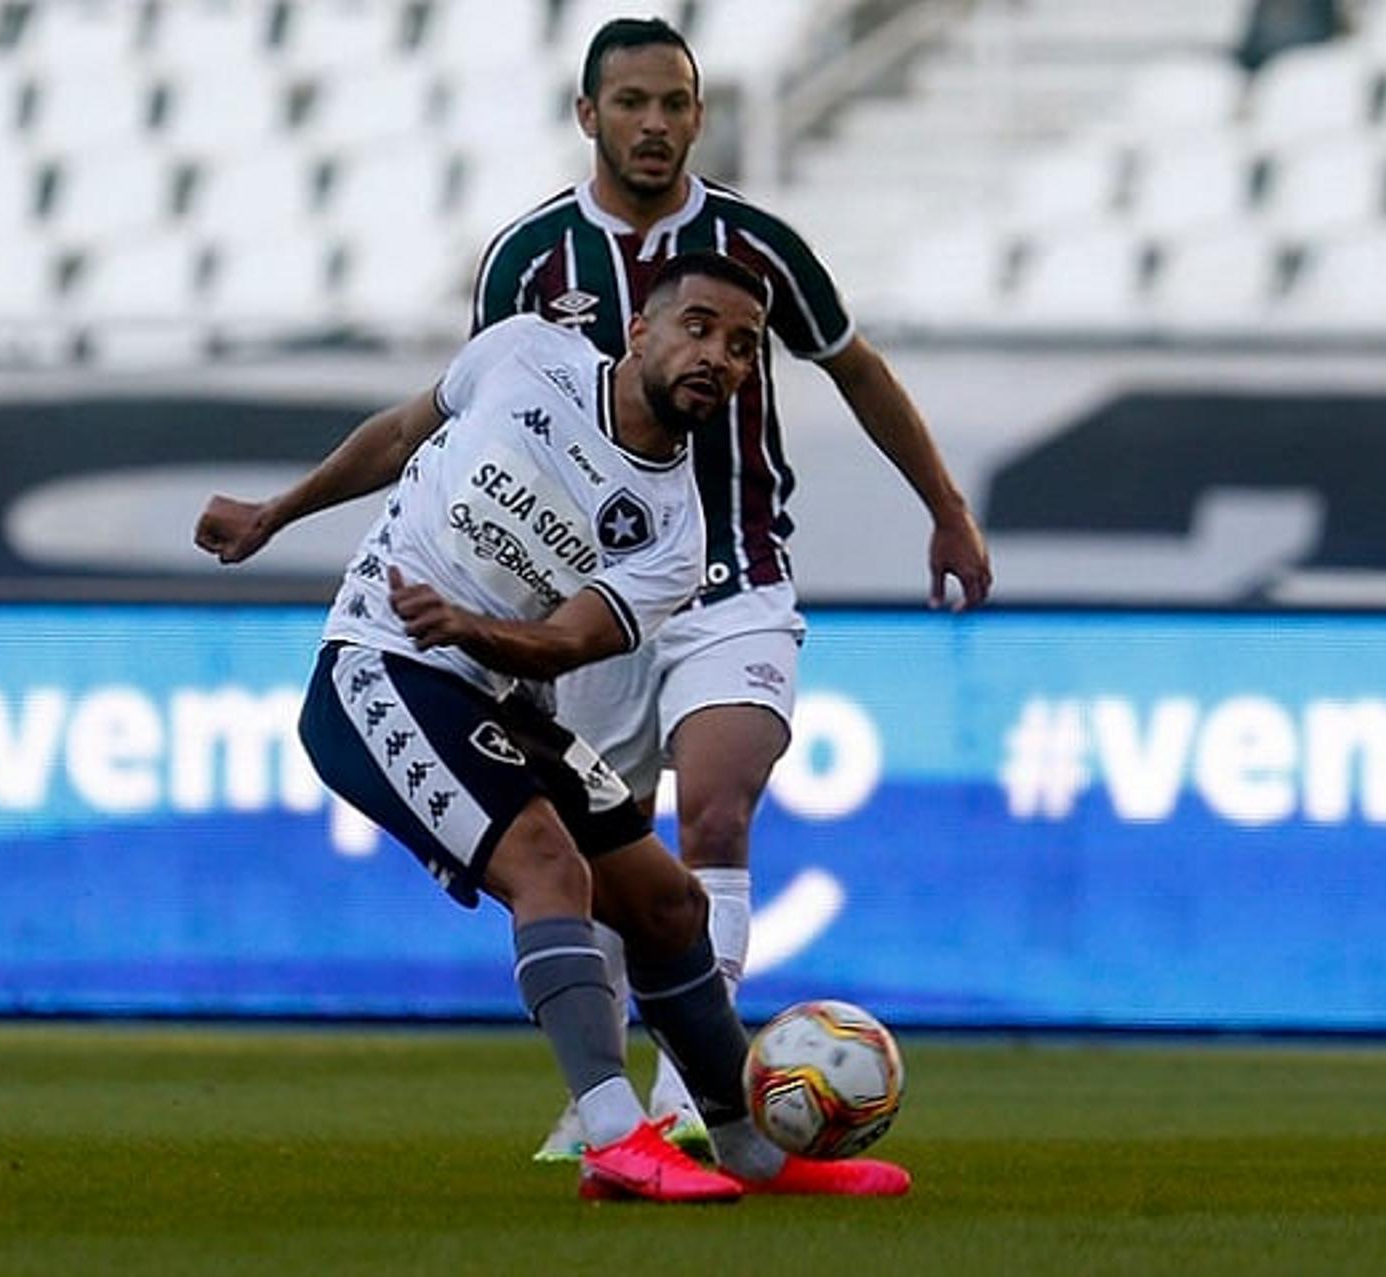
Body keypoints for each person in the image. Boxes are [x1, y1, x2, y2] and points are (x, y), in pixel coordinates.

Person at [196, 251, 910, 1203]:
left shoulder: (673, 531)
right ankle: (615, 1136)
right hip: (377, 666)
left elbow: (565, 644)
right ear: (640, 332)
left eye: (742, 349)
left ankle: (746, 1148)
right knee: (548, 869)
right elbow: (406, 431)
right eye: (699, 328)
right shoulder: (524, 353)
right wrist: (276, 513)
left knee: (668, 905)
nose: (719, 357)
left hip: (500, 691)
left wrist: (475, 628)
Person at [468, 16, 994, 1158]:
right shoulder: (526, 262)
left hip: (731, 579)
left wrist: (946, 509)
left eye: (675, 104)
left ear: (700, 115)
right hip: (588, 605)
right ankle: (601, 1090)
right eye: (632, 104)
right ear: (587, 115)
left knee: (717, 807)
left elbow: (855, 368)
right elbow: (481, 439)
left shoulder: (759, 246)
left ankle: (684, 1089)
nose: (654, 125)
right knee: (617, 854)